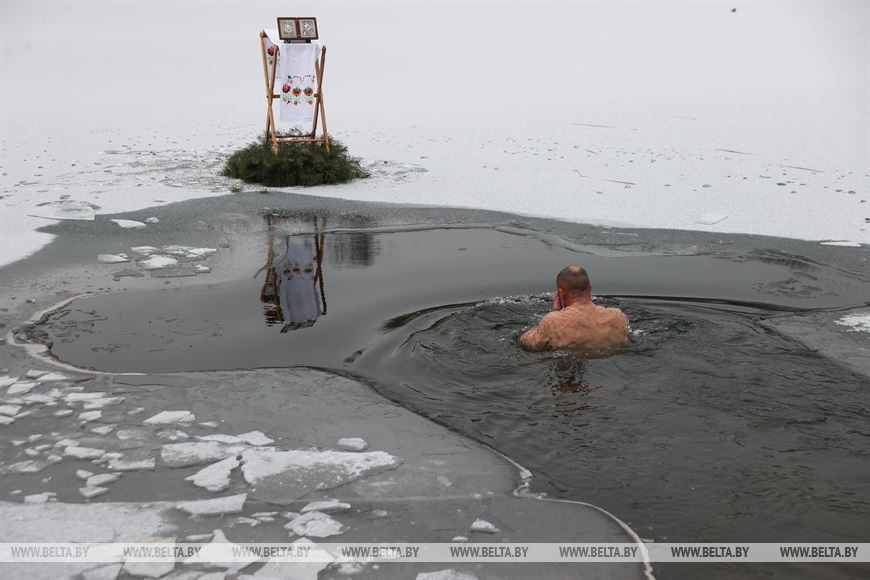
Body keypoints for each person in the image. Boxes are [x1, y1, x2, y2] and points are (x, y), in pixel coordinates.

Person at [521, 266, 629, 351]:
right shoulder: (618, 316)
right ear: (590, 288)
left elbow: (530, 345)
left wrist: (555, 314)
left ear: (561, 294)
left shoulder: (553, 321)